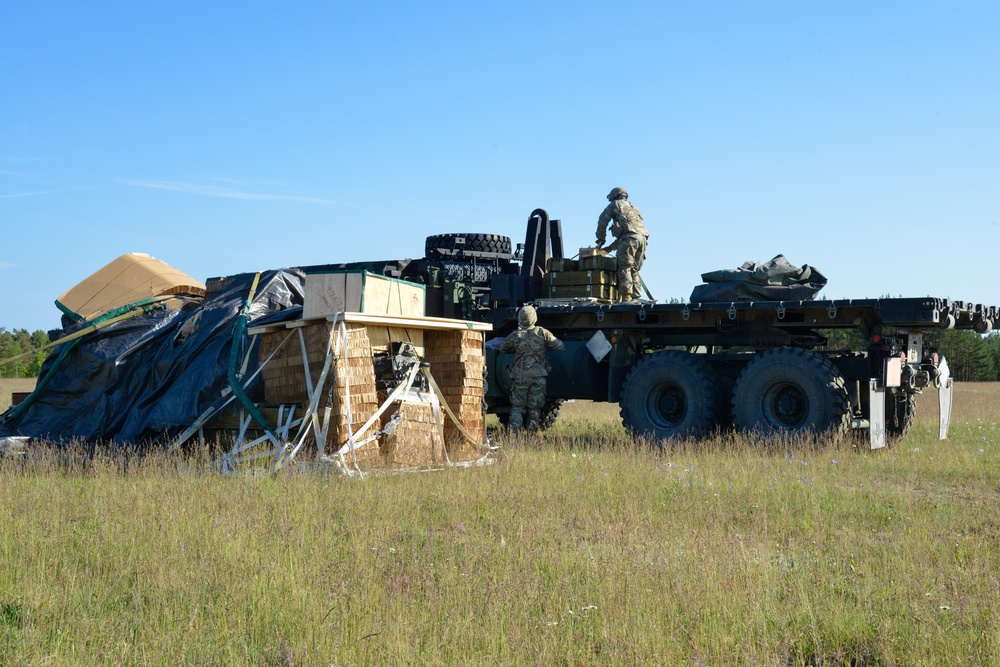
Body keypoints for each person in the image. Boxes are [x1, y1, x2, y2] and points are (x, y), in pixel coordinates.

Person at [499, 305, 564, 430]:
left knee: (517, 407)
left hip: (520, 376)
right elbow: (559, 346)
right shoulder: (542, 332)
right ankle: (531, 437)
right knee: (534, 407)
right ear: (534, 318)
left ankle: (514, 435)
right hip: (538, 375)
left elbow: (502, 348)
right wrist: (547, 346)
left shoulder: (515, 335)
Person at [596, 186, 649, 301]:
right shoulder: (632, 208)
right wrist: (608, 249)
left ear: (614, 196)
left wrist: (601, 239)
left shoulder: (614, 205)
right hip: (643, 238)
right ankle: (636, 296)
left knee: (624, 267)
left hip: (631, 238)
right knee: (633, 268)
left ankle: (625, 298)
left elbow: (602, 221)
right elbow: (626, 237)